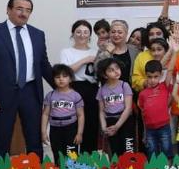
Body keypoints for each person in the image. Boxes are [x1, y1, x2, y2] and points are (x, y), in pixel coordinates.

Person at [0, 0, 54, 160]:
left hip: (31, 92)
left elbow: (44, 65)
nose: (24, 13)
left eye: (28, 10)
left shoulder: (38, 34)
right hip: (2, 95)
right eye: (19, 9)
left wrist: (62, 89)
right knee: (2, 139)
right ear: (8, 10)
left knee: (34, 139)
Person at [59, 20, 99, 153]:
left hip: (92, 90)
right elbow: (66, 72)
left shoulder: (96, 52)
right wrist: (85, 60)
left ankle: (89, 158)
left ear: (90, 35)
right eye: (79, 32)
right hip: (73, 89)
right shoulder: (66, 52)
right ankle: (71, 159)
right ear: (73, 34)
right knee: (72, 124)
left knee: (91, 124)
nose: (82, 35)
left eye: (86, 32)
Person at [41, 64, 84, 160]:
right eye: (57, 77)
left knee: (71, 155)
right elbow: (45, 114)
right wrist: (43, 132)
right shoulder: (50, 96)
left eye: (64, 76)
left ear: (70, 79)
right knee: (57, 154)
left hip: (71, 129)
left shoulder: (76, 95)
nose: (61, 79)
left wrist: (79, 133)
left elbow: (81, 115)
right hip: (55, 129)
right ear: (53, 79)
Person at [97, 57, 135, 156]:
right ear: (104, 75)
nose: (116, 71)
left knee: (128, 150)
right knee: (115, 151)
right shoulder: (101, 90)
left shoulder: (124, 85)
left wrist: (117, 126)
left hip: (125, 121)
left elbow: (128, 108)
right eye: (111, 70)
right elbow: (101, 111)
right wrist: (104, 127)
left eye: (117, 68)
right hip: (110, 122)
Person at [137, 60, 173, 158]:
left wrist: (174, 53)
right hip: (150, 130)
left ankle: (168, 168)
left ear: (161, 75)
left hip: (164, 127)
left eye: (156, 77)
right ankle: (154, 168)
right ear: (146, 76)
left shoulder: (164, 86)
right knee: (152, 154)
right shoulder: (142, 94)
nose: (152, 80)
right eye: (149, 77)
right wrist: (145, 132)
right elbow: (143, 114)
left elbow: (170, 70)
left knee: (167, 153)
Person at [95, 20, 138, 85]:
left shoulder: (134, 50)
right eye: (113, 32)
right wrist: (107, 52)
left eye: (120, 32)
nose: (116, 35)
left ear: (126, 34)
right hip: (109, 88)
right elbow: (96, 69)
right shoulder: (103, 49)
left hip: (129, 89)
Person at [132, 22, 169, 91]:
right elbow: (135, 79)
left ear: (164, 36)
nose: (155, 37)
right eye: (151, 34)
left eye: (158, 34)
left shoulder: (174, 52)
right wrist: (147, 83)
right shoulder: (141, 56)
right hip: (149, 94)